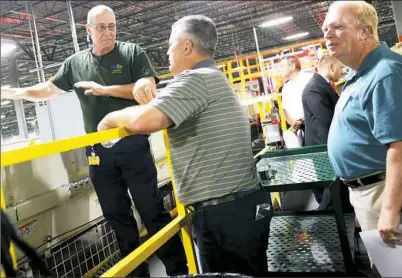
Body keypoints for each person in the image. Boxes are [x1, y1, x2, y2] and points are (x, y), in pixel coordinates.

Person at [1, 5, 187, 276]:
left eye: (112, 26)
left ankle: (179, 270)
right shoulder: (76, 63)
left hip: (133, 145)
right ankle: (135, 273)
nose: (108, 32)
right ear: (87, 30)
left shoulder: (132, 53)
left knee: (151, 210)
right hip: (98, 153)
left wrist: (106, 90)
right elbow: (49, 89)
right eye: (101, 27)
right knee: (116, 215)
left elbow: (145, 89)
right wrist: (18, 92)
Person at [97, 15, 271, 276]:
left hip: (224, 217)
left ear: (187, 47)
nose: (167, 52)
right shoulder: (214, 77)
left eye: (170, 45)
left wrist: (108, 120)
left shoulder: (195, 80)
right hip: (239, 208)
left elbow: (146, 119)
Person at [323, 1, 402, 245]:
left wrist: (389, 210)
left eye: (337, 27)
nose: (327, 34)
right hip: (368, 191)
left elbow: (399, 146)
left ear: (364, 31)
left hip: (382, 191)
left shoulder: (384, 73)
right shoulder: (361, 75)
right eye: (326, 29)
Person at [301, 55, 342, 205]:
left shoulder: (321, 86)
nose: (342, 72)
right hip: (323, 148)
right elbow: (327, 122)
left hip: (325, 145)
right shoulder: (315, 88)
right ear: (331, 67)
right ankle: (325, 221)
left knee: (332, 190)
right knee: (329, 192)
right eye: (340, 68)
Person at [279, 55, 313, 146]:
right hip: (298, 130)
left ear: (292, 65)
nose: (280, 70)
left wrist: (303, 119)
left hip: (313, 127)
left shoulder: (310, 79)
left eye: (282, 66)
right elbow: (284, 109)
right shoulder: (286, 87)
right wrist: (292, 123)